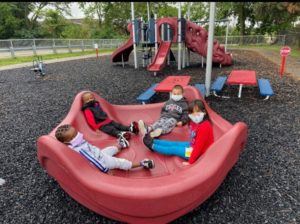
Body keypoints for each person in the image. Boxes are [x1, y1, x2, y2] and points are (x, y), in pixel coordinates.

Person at [55, 124, 155, 173]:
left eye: (76, 133)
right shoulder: (79, 149)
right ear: (66, 142)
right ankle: (143, 163)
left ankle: (121, 144)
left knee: (110, 149)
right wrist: (106, 170)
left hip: (99, 153)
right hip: (102, 161)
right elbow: (93, 161)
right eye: (73, 136)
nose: (77, 136)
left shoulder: (77, 143)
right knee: (120, 162)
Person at [143, 100, 214, 165]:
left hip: (198, 153)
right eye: (192, 112)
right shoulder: (195, 122)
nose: (195, 115)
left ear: (204, 112)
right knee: (175, 143)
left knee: (173, 149)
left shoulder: (204, 127)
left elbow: (199, 147)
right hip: (193, 145)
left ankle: (152, 145)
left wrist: (190, 162)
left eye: (197, 112)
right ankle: (154, 141)